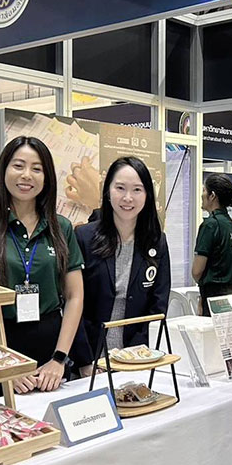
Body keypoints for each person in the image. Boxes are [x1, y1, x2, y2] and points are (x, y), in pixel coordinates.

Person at [0, 136, 84, 398]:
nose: (27, 175)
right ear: (3, 170)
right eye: (18, 165)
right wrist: (5, 363)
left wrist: (59, 359)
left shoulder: (62, 228)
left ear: (47, 177)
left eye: (37, 168)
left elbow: (75, 296)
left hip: (50, 349)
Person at [73, 157, 171, 372]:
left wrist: (137, 355)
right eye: (120, 188)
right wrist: (84, 361)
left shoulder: (157, 241)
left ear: (147, 195)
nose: (128, 198)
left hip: (137, 358)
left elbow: (158, 305)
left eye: (137, 190)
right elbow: (73, 303)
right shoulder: (84, 237)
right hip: (91, 359)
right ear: (108, 191)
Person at [192, 173, 232, 316]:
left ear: (212, 195)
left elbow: (197, 271)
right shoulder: (229, 223)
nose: (201, 195)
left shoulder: (210, 225)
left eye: (204, 190)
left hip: (215, 298)